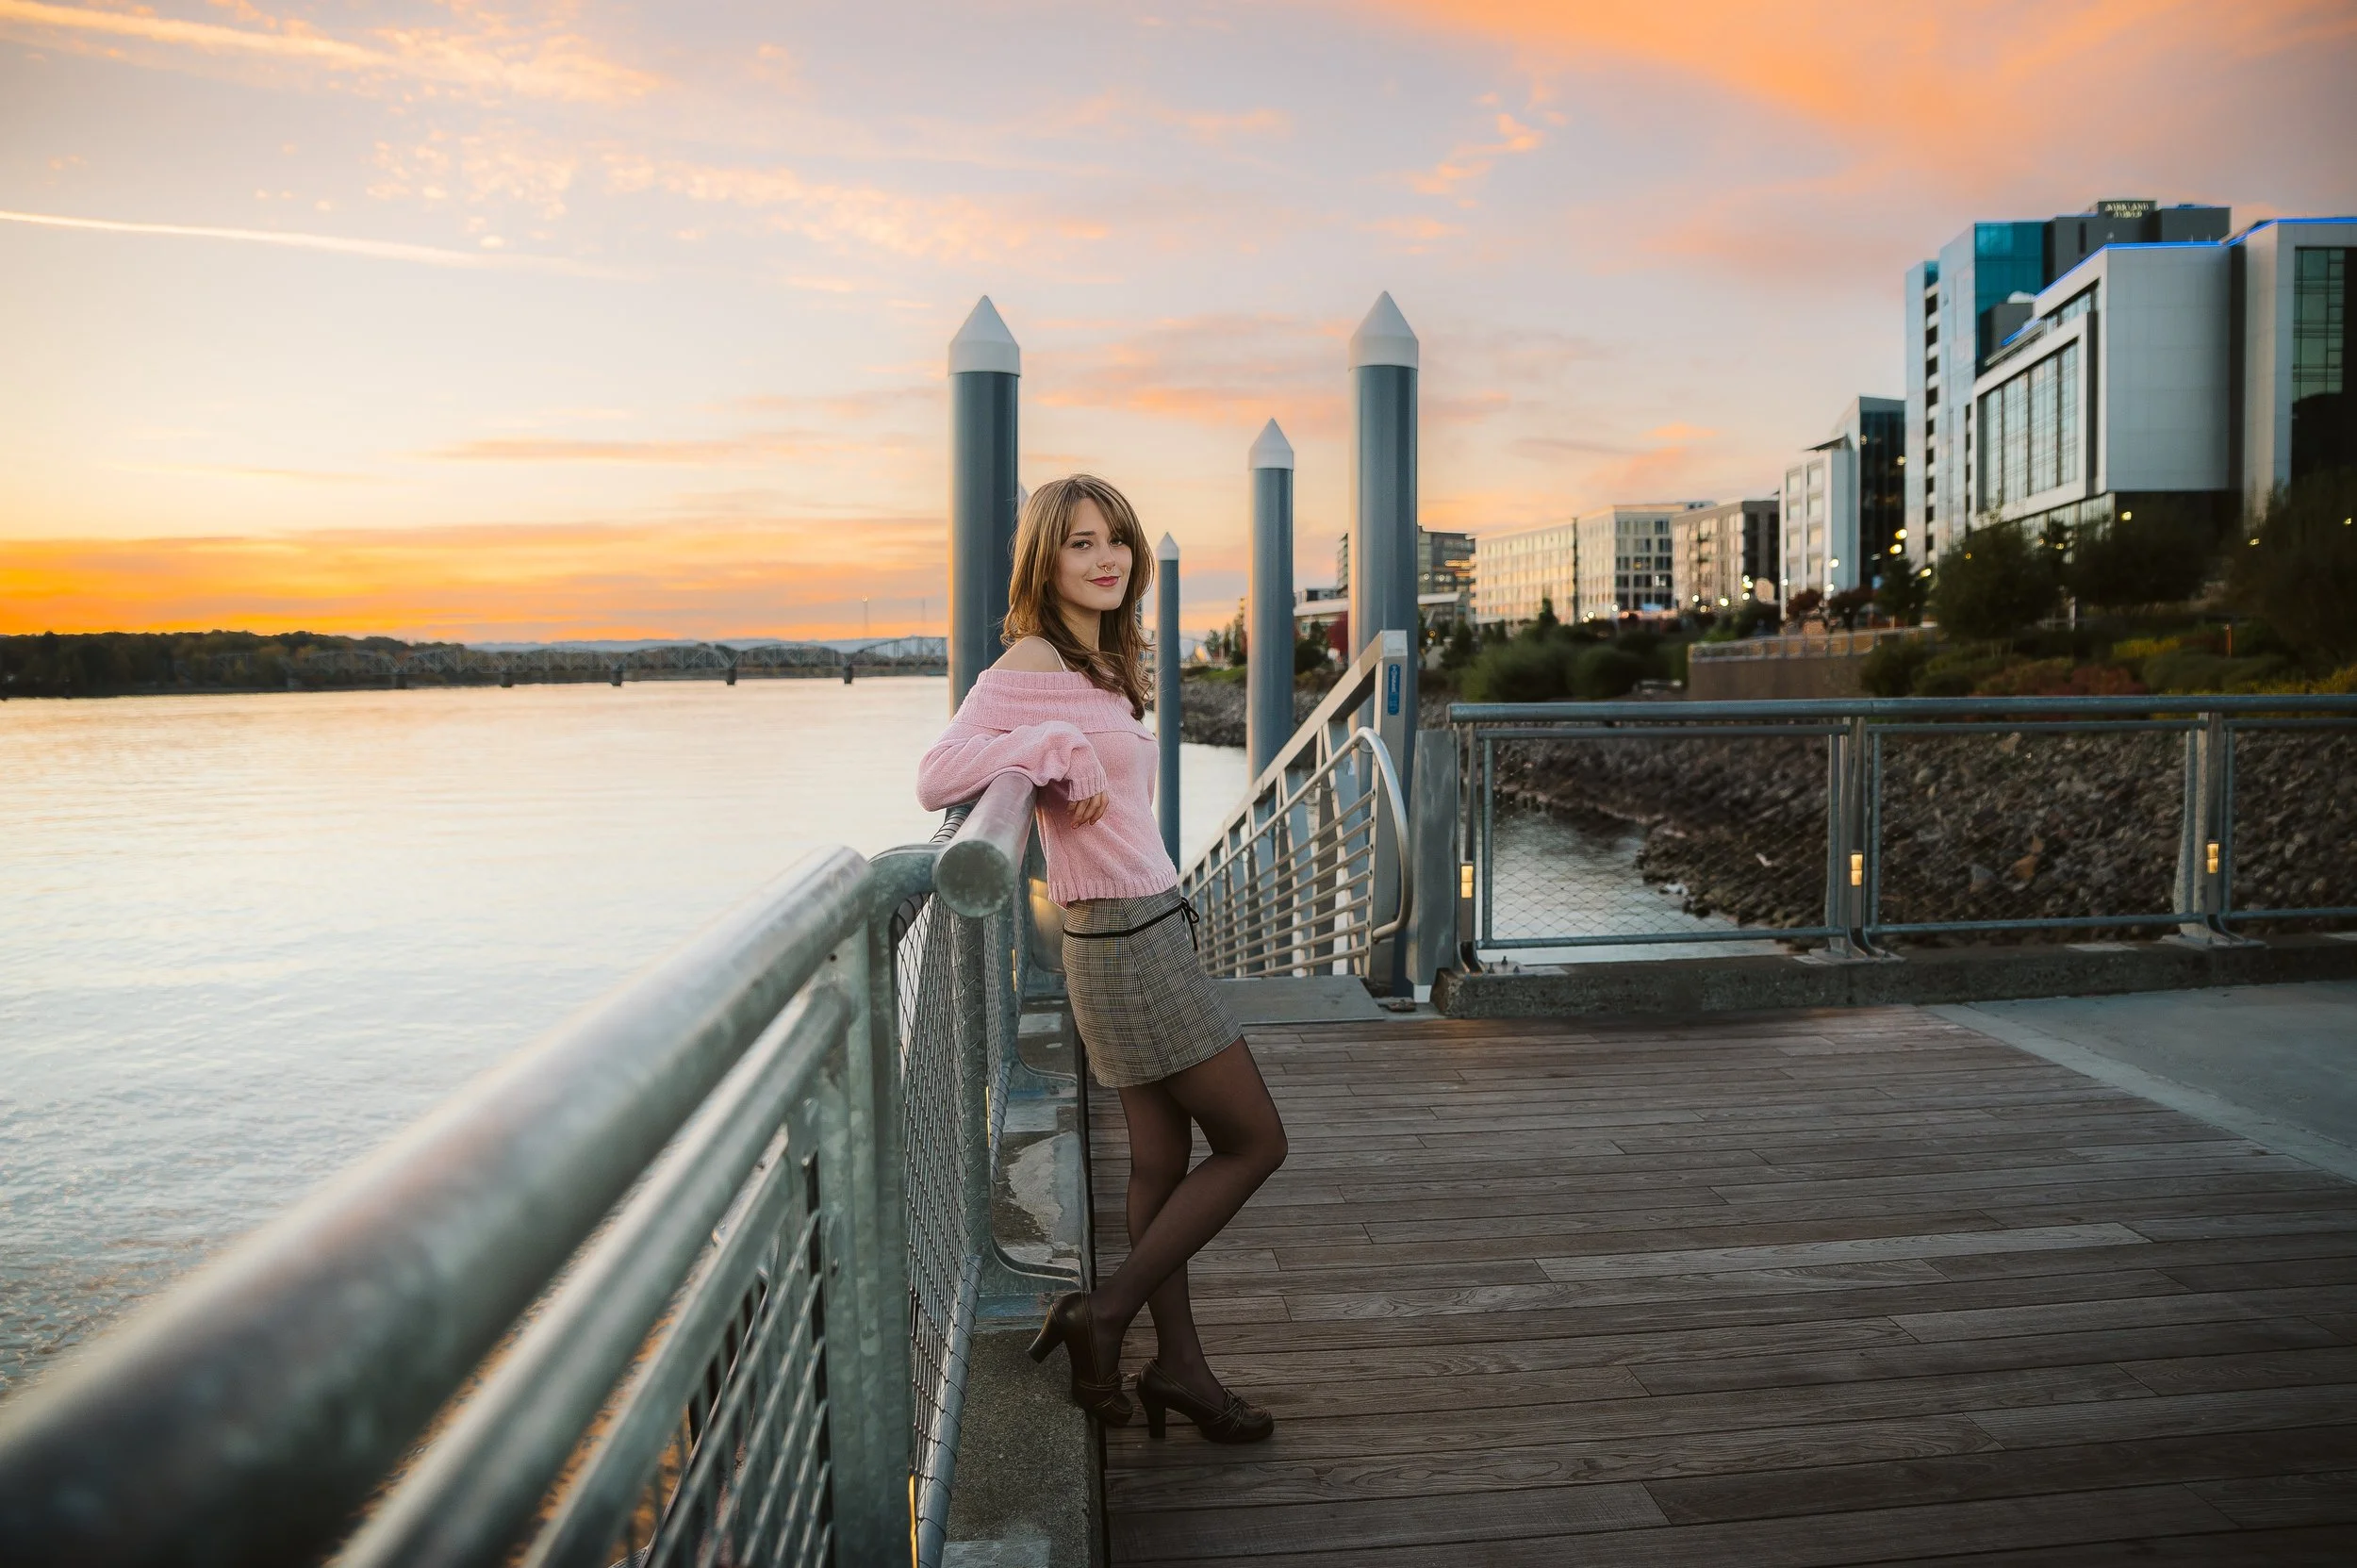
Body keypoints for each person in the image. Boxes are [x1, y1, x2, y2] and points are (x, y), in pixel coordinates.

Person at [915, 474, 1285, 1444]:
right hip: (1126, 938)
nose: (1106, 557)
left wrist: (1069, 741)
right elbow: (936, 774)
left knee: (1162, 1159)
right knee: (1256, 1142)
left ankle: (1184, 1369)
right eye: (1081, 542)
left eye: (1115, 539)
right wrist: (1048, 743)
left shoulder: (1100, 660)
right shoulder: (1031, 661)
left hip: (1142, 923)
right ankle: (1104, 1313)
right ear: (1047, 558)